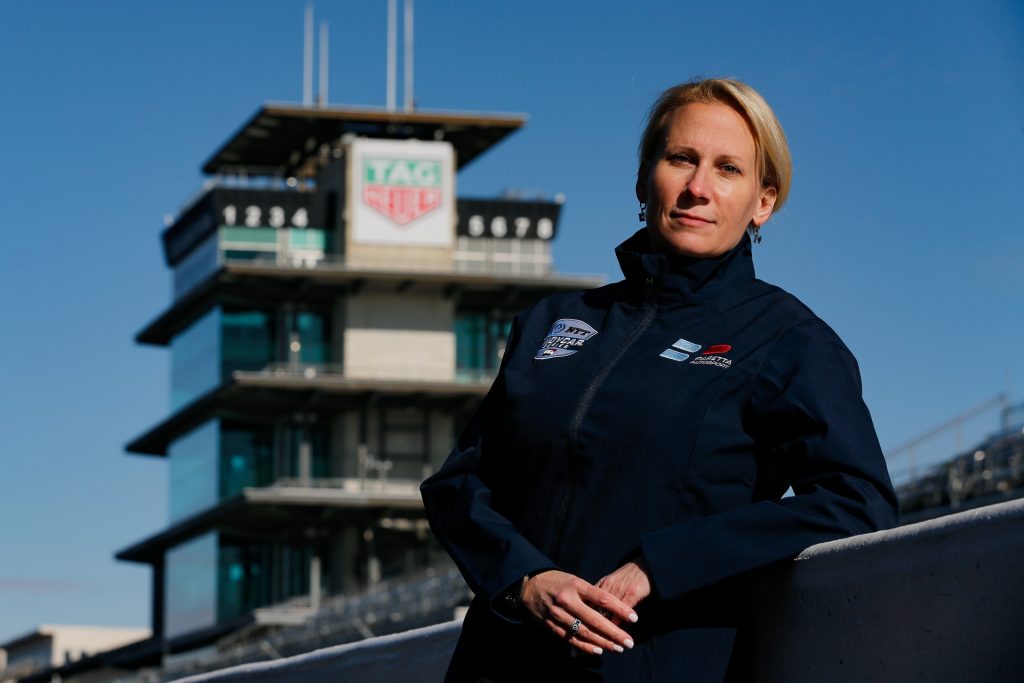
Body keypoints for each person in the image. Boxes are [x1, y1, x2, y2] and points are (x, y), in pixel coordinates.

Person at [420, 77, 898, 682]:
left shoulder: (788, 340)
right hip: (496, 666)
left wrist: (663, 563)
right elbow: (458, 486)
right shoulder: (552, 323)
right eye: (681, 160)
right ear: (644, 179)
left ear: (763, 202)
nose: (699, 188)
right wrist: (524, 580)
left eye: (728, 169)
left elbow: (858, 503)